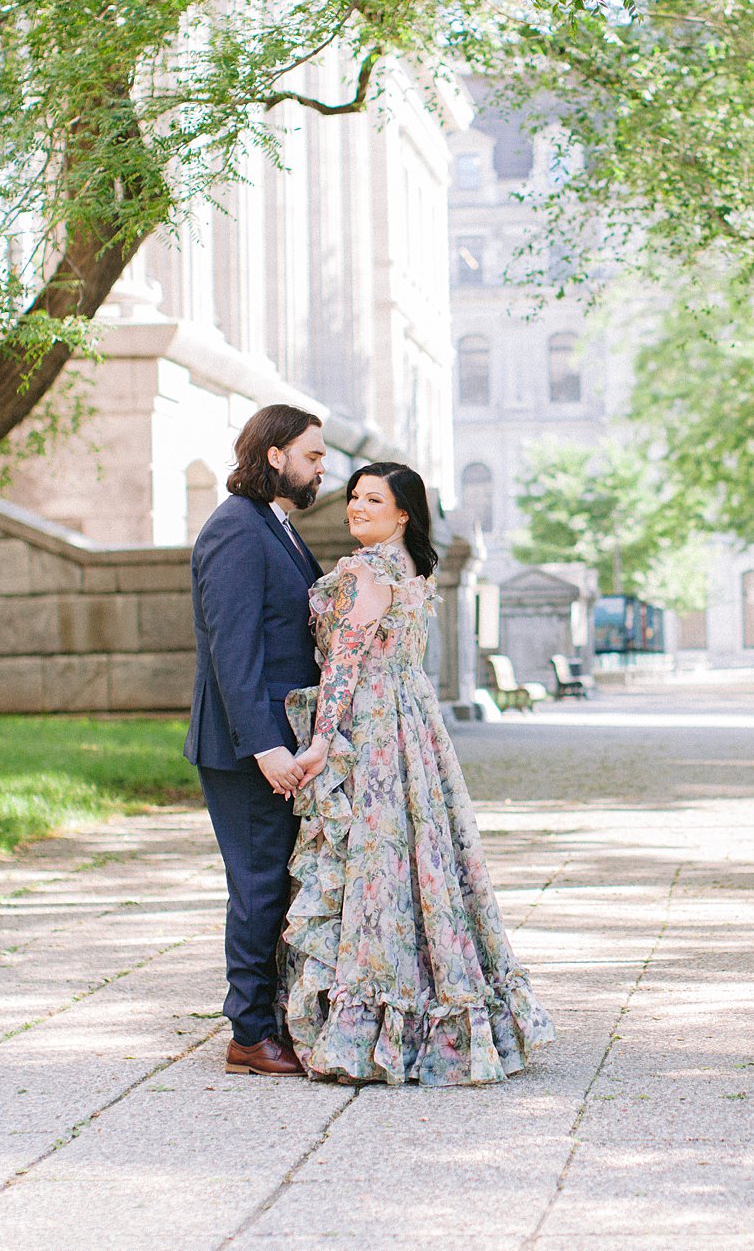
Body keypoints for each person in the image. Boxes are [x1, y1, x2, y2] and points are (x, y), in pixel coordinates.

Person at [284, 462, 554, 1085]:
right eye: (352, 497)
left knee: (378, 861)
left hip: (375, 727)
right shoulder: (413, 569)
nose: (355, 508)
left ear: (403, 512)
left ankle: (372, 1025)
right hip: (415, 722)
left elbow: (346, 661)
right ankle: (446, 1006)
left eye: (372, 499)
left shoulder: (368, 569)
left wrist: (322, 741)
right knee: (424, 857)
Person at [184, 405, 329, 1078]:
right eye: (312, 455)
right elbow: (231, 650)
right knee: (259, 884)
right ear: (275, 456)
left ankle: (271, 1018)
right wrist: (265, 747)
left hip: (282, 741)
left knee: (277, 883)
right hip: (248, 749)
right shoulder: (236, 530)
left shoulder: (276, 526)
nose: (320, 468)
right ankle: (248, 1032)